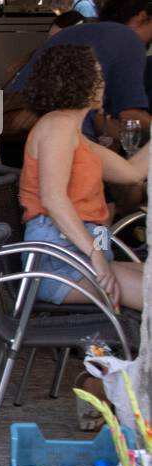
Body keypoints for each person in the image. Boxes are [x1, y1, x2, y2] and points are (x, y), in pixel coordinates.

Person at [19, 44, 148, 311]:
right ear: (79, 82)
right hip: (59, 262)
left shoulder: (75, 136)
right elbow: (53, 199)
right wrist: (97, 256)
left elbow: (133, 173)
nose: (103, 83)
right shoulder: (58, 127)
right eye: (98, 77)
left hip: (77, 254)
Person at [1, 0, 152, 168]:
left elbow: (98, 120)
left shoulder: (81, 31)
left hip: (16, 144)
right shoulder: (128, 40)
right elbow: (131, 115)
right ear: (142, 16)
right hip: (61, 153)